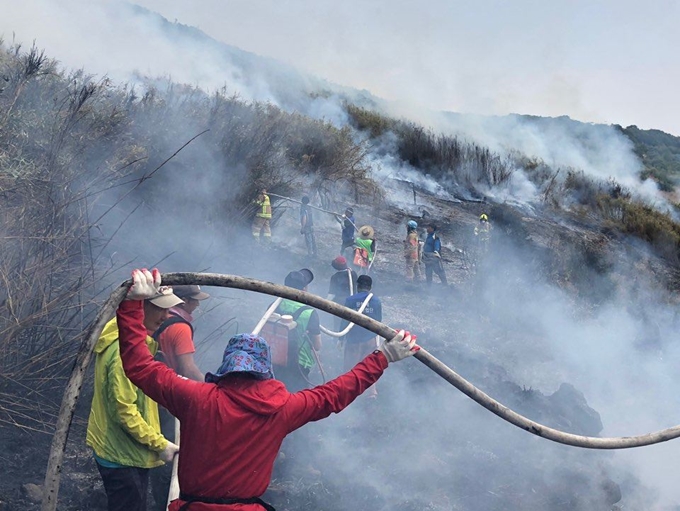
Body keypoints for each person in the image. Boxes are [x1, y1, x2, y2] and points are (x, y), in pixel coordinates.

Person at [116, 269, 419, 511]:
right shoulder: (283, 409)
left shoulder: (196, 399)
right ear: (264, 372)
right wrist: (383, 358)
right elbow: (334, 394)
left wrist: (132, 307)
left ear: (228, 368)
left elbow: (139, 366)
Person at [86, 285, 182, 511]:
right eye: (160, 308)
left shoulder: (129, 341)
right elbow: (124, 411)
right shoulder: (123, 353)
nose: (166, 316)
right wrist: (160, 444)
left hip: (122, 448)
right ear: (141, 306)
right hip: (121, 454)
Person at [150, 285, 210, 511]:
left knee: (157, 449)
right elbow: (187, 368)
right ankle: (166, 502)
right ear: (183, 301)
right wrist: (211, 390)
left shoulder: (156, 321)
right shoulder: (181, 328)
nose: (198, 304)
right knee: (172, 453)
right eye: (195, 300)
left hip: (150, 392)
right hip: (170, 400)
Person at [275, 269, 322, 392]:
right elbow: (317, 346)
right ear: (304, 289)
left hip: (275, 360)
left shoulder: (274, 306)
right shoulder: (310, 313)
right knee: (296, 401)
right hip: (299, 364)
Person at [340, 275, 383, 397]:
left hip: (353, 340)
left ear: (358, 286)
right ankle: (371, 392)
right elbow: (379, 321)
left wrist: (340, 338)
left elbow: (344, 320)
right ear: (370, 287)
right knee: (369, 365)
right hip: (369, 339)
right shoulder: (376, 301)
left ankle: (347, 392)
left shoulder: (350, 300)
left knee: (350, 366)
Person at [327, 256, 358, 330]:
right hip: (352, 303)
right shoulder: (353, 273)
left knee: (338, 324)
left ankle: (337, 340)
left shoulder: (335, 277)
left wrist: (325, 302)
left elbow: (332, 294)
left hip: (339, 304)